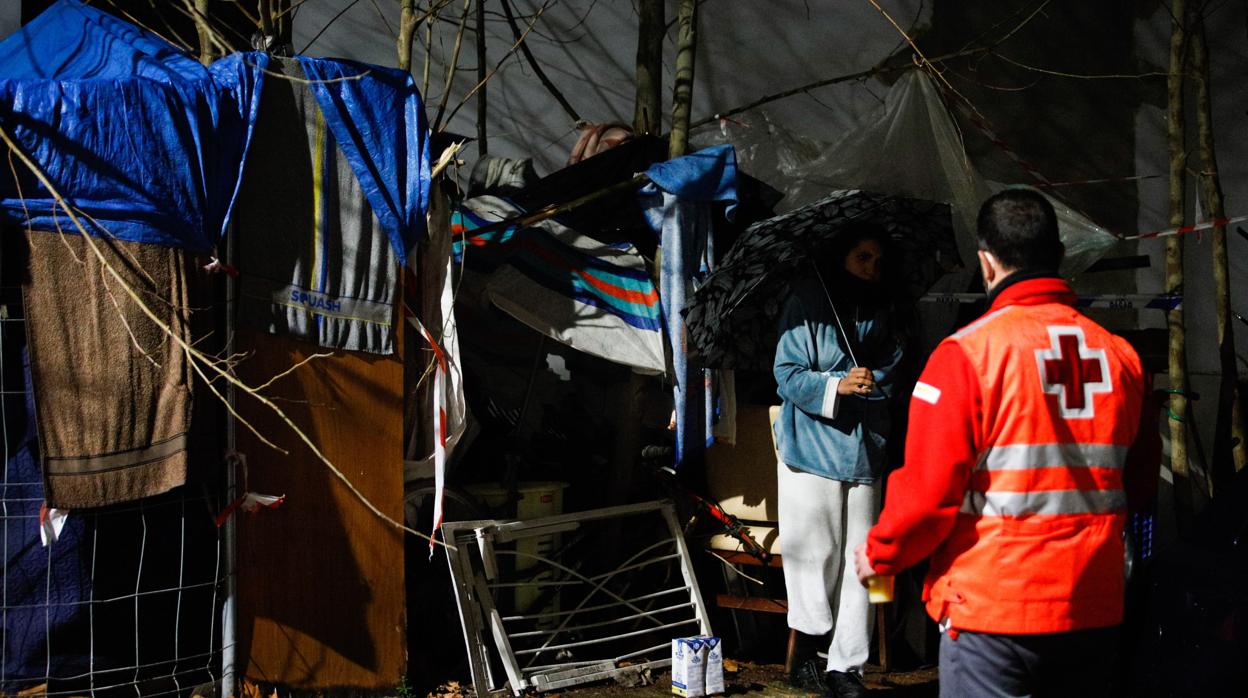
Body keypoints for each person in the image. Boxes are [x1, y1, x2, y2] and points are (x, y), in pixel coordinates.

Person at [854, 188, 1160, 697]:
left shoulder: (966, 356)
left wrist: (882, 555)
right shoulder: (1121, 358)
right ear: (1060, 259)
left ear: (986, 263)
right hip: (1093, 609)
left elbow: (928, 495)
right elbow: (1141, 484)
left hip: (993, 614)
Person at [774, 224, 904, 698]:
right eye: (862, 257)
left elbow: (893, 363)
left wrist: (872, 381)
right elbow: (785, 373)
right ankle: (807, 653)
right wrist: (836, 385)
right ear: (840, 258)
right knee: (816, 553)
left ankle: (846, 664)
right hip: (810, 447)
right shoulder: (806, 301)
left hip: (865, 446)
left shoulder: (884, 308)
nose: (870, 269)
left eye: (877, 261)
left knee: (864, 561)